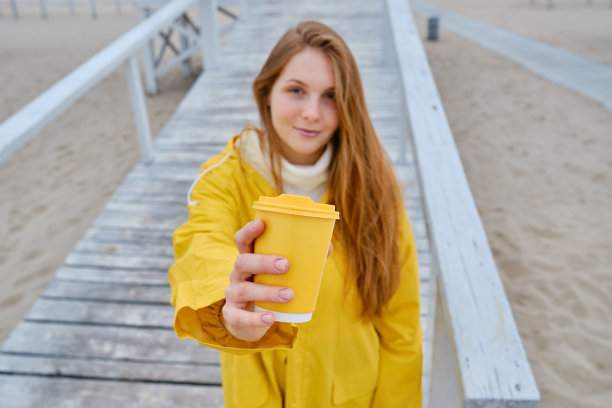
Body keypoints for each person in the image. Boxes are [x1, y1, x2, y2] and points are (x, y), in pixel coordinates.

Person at [168, 21, 422, 407]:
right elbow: (199, 247)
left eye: (331, 96)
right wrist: (232, 293)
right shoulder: (223, 178)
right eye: (296, 90)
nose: (311, 113)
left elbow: (401, 325)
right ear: (266, 92)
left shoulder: (375, 188)